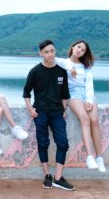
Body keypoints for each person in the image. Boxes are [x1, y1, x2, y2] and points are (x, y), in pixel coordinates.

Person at [23, 40, 75, 191]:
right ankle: (47, 175)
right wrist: (30, 110)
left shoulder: (61, 71)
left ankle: (58, 178)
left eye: (52, 51)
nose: (50, 54)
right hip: (41, 112)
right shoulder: (35, 71)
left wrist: (64, 109)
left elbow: (65, 94)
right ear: (40, 53)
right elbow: (26, 93)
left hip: (57, 113)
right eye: (46, 52)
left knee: (63, 143)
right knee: (43, 143)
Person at [55, 40, 106, 172]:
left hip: (86, 93)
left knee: (94, 120)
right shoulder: (64, 62)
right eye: (78, 47)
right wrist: (69, 68)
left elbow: (89, 84)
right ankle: (89, 157)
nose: (80, 51)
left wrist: (89, 100)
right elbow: (52, 59)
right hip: (73, 94)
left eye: (83, 50)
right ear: (72, 47)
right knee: (85, 119)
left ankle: (99, 158)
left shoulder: (86, 66)